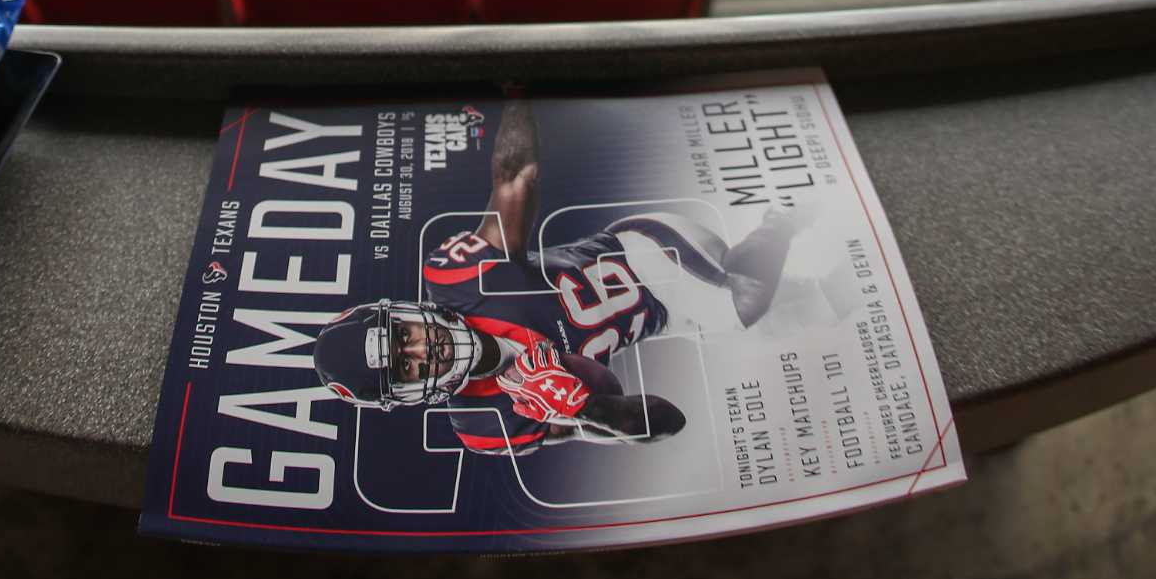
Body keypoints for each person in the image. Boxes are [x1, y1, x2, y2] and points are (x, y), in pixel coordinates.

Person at [314, 98, 806, 457]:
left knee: (744, 307)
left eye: (404, 337)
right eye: (405, 365)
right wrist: (584, 411)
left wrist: (518, 85)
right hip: (667, 317)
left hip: (644, 254)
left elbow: (516, 176)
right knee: (804, 314)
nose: (422, 350)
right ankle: (805, 228)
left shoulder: (458, 280)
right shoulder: (485, 427)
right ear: (405, 392)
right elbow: (662, 422)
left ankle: (783, 218)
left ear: (406, 316)